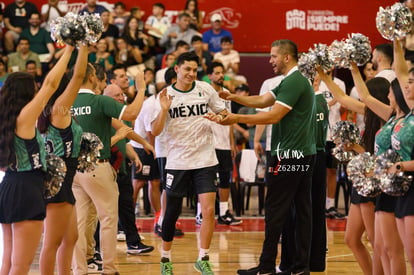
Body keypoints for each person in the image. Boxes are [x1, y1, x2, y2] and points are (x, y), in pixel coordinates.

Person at [207, 39, 316, 275]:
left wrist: (236, 119)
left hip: (289, 155)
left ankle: (267, 267)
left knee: (276, 208)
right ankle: (297, 267)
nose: (270, 60)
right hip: (299, 154)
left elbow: (273, 116)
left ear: (287, 57)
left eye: (273, 56)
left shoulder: (295, 81)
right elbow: (263, 101)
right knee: (299, 210)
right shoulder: (292, 81)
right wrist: (234, 97)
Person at [152, 52, 228, 274]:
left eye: (195, 70)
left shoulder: (205, 89)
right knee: (172, 213)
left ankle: (203, 257)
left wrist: (219, 117)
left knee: (208, 210)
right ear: (176, 69)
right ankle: (165, 259)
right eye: (187, 69)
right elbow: (155, 131)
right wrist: (164, 109)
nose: (191, 74)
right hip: (177, 161)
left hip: (205, 160)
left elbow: (224, 113)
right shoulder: (164, 95)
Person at [0, 45, 72, 275]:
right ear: (25, 92)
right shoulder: (25, 116)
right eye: (33, 87)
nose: (37, 89)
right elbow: (51, 84)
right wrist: (69, 50)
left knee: (8, 262)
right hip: (26, 187)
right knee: (21, 264)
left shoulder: (5, 118)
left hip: (9, 185)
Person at [71, 65, 146, 275]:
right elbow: (131, 113)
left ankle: (79, 269)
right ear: (93, 77)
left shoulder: (66, 102)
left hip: (73, 169)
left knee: (79, 222)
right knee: (108, 219)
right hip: (97, 166)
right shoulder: (99, 101)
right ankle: (110, 269)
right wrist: (140, 89)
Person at [36, 44, 87, 275]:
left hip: (64, 180)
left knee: (71, 238)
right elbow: (78, 76)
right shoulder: (59, 109)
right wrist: (83, 48)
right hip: (57, 182)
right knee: (52, 242)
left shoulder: (53, 109)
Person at [102, 83, 155, 256]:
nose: (121, 98)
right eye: (117, 95)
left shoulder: (119, 116)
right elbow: (114, 139)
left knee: (126, 206)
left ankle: (134, 243)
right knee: (102, 212)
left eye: (122, 95)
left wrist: (134, 155)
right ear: (106, 97)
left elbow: (124, 140)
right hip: (105, 167)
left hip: (121, 168)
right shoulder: (102, 112)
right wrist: (141, 88)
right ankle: (96, 249)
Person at [207, 61, 241, 225]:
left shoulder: (227, 93)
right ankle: (202, 214)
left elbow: (231, 118)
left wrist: (232, 142)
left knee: (225, 179)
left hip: (224, 143)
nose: (221, 75)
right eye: (217, 73)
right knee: (207, 180)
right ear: (209, 76)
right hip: (210, 143)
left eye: (222, 73)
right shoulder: (204, 92)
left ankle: (223, 212)